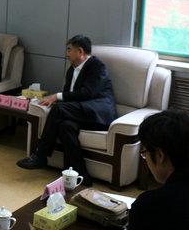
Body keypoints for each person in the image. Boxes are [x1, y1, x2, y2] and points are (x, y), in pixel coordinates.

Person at [16, 35, 116, 186]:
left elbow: (88, 93)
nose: (67, 54)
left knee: (58, 109)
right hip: (81, 113)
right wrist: (59, 98)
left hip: (98, 114)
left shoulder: (97, 66)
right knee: (65, 126)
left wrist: (57, 96)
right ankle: (81, 176)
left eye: (69, 50)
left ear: (80, 51)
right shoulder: (71, 70)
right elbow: (70, 96)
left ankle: (41, 156)